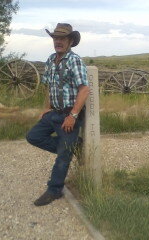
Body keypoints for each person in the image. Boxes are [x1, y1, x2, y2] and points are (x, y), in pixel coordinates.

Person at [26, 23, 89, 206]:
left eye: (62, 38)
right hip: (53, 113)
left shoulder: (74, 61)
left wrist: (73, 116)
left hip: (69, 116)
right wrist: (47, 107)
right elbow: (48, 87)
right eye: (55, 38)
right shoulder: (51, 59)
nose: (58, 41)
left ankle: (54, 190)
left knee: (62, 158)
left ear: (70, 41)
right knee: (33, 136)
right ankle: (73, 147)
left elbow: (84, 89)